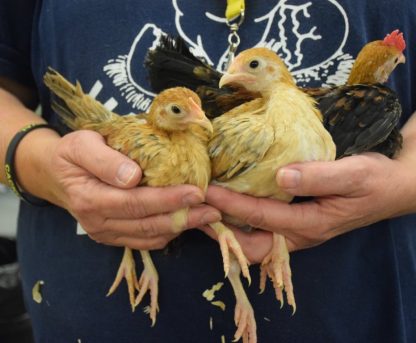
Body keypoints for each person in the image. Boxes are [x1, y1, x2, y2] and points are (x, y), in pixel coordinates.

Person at [0, 1, 415, 342]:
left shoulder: (301, 122)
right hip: (92, 312)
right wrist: (37, 164)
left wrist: (404, 182)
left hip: (358, 312)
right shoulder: (234, 134)